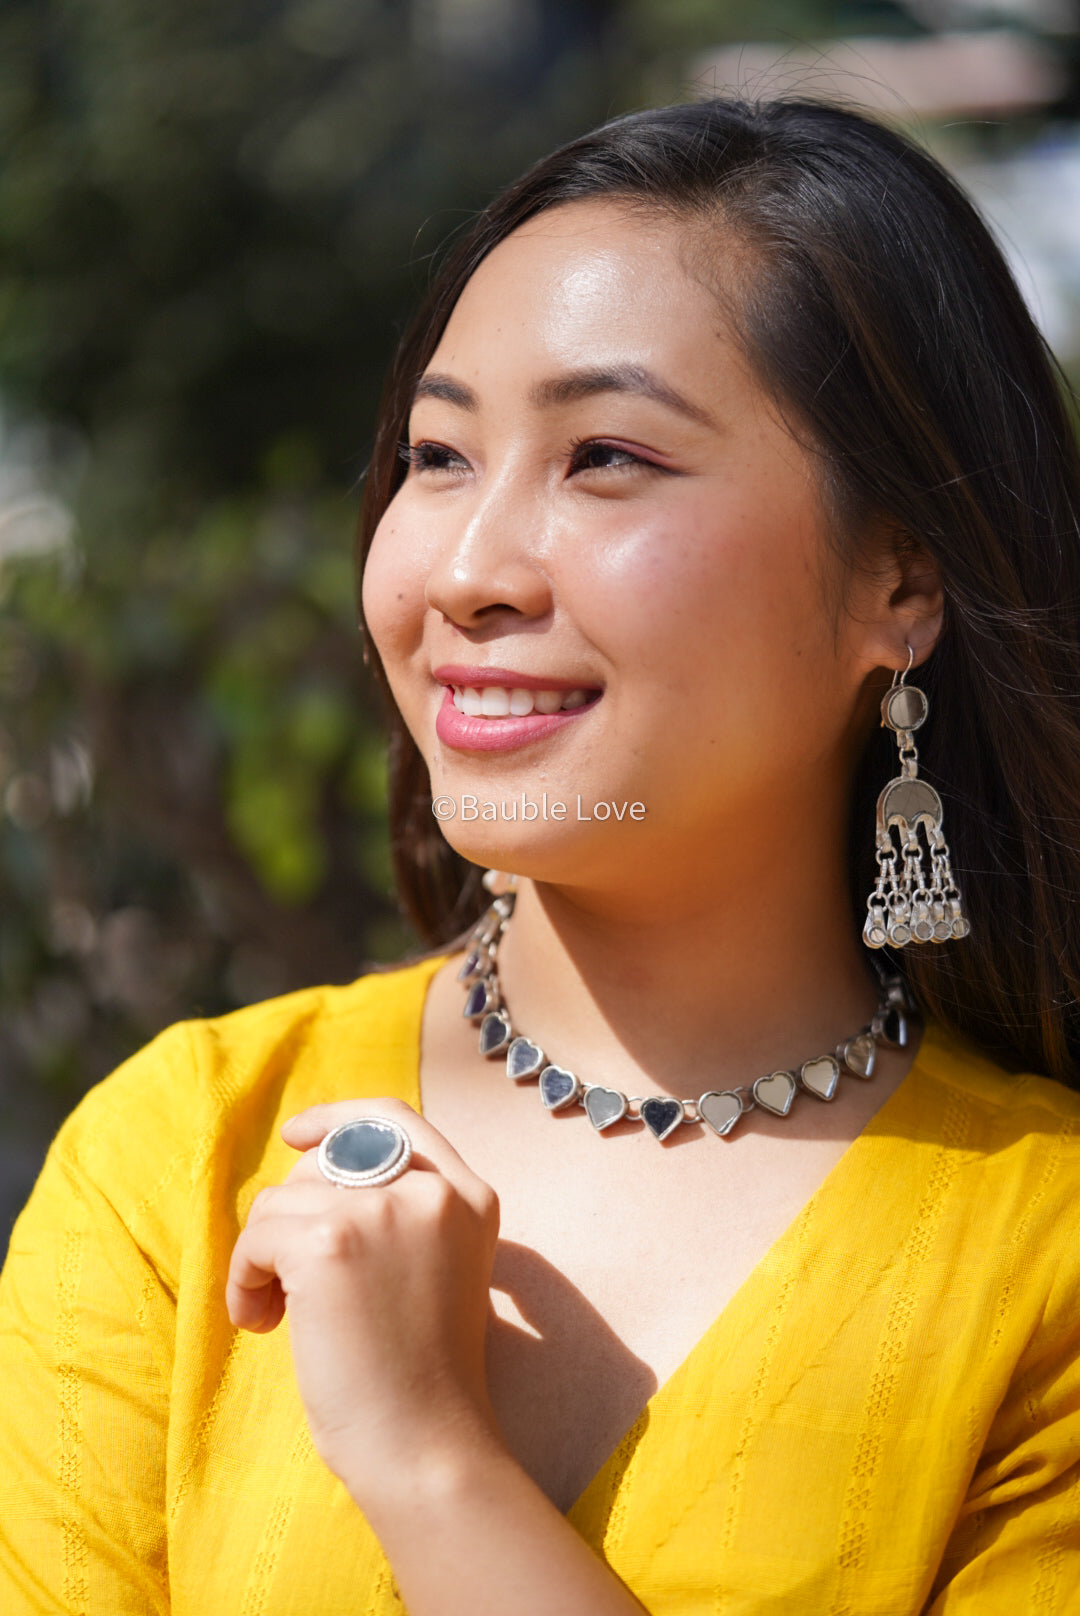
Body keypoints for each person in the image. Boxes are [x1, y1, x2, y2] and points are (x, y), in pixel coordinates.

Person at [2, 95, 1080, 1616]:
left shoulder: (1042, 1262)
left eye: (607, 457)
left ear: (898, 579)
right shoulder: (183, 1161)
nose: (465, 570)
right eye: (438, 455)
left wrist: (424, 1456)